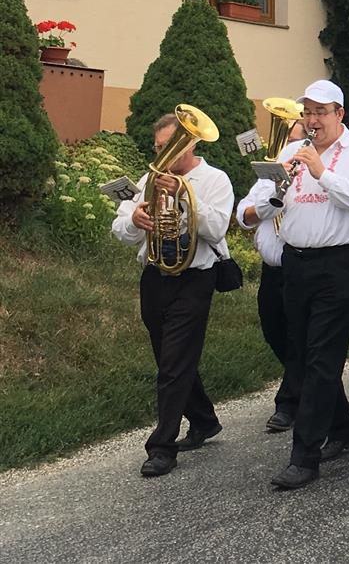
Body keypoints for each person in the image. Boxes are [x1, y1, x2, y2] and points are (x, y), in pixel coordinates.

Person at [252, 80, 349, 490]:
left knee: (323, 359)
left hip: (336, 264)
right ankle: (343, 430)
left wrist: (322, 173)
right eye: (307, 112)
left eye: (320, 112)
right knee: (305, 356)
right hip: (295, 263)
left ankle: (304, 457)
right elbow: (259, 202)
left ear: (339, 114)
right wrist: (267, 197)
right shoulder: (289, 151)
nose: (312, 120)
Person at [111, 111, 234, 478]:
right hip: (155, 275)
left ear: (189, 144)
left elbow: (217, 229)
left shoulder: (214, 179)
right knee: (169, 357)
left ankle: (162, 447)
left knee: (174, 363)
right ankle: (204, 419)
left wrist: (185, 196)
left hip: (194, 277)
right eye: (158, 147)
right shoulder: (148, 179)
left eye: (169, 147)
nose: (160, 155)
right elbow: (120, 227)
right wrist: (134, 221)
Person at [236, 118, 308, 434]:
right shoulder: (269, 177)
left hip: (298, 267)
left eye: (294, 141)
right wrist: (271, 199)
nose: (288, 148)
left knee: (297, 336)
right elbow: (244, 215)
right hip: (271, 271)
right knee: (273, 330)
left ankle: (288, 403)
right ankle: (307, 385)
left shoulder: (311, 177)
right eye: (286, 141)